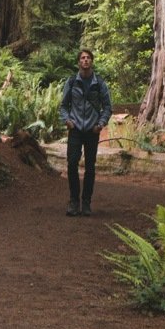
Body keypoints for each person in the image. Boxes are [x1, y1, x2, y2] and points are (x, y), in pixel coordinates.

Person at [59, 47, 111, 217]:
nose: (85, 60)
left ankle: (86, 202)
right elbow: (63, 105)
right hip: (75, 129)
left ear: (92, 61)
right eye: (82, 58)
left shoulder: (99, 83)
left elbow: (107, 106)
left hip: (91, 130)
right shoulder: (72, 81)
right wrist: (67, 120)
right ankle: (74, 201)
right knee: (72, 164)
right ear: (79, 62)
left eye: (88, 57)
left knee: (90, 167)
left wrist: (101, 124)